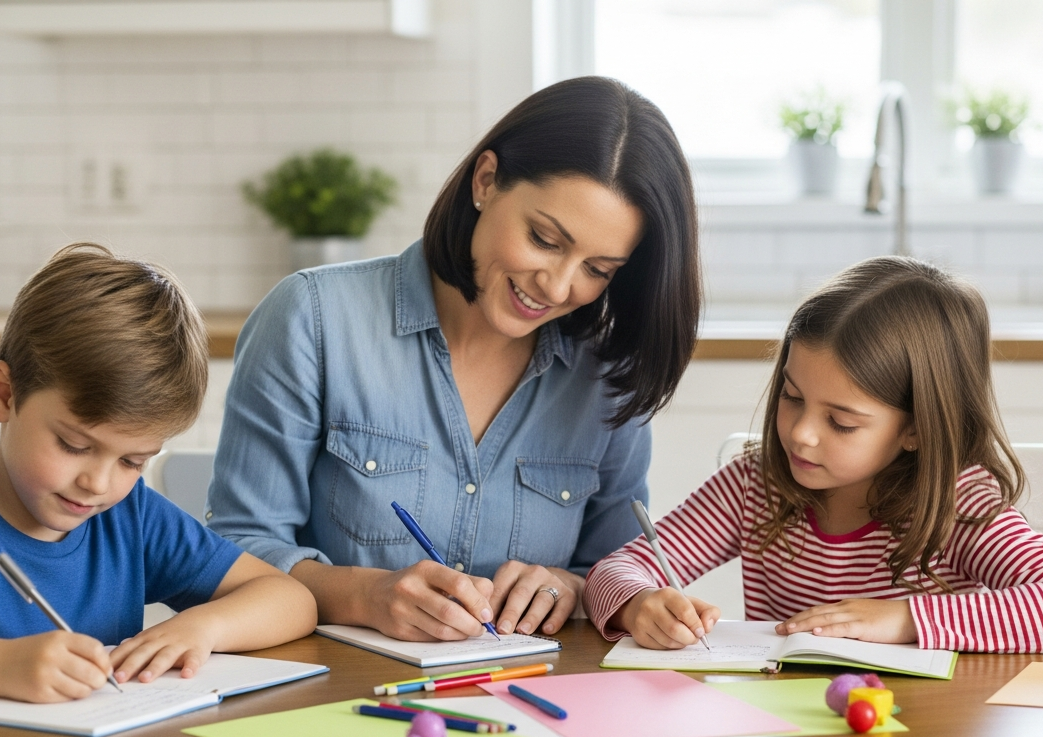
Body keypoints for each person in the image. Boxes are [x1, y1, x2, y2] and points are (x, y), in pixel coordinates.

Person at [209, 76, 702, 642]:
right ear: (486, 181)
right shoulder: (313, 319)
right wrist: (364, 596)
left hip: (534, 701)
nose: (559, 286)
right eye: (544, 239)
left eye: (598, 270)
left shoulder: (607, 375)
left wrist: (572, 587)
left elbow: (617, 569)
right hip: (339, 696)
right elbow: (235, 550)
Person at [0, 244, 317, 703]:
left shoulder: (131, 516)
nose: (98, 484)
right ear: (4, 394)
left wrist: (200, 628)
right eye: (74, 445)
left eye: (132, 461)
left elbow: (289, 598)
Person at [584, 256, 1043, 653]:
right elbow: (618, 567)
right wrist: (637, 604)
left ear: (915, 429)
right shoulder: (756, 484)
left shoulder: (958, 506)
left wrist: (905, 619)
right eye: (792, 398)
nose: (801, 435)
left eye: (841, 422)